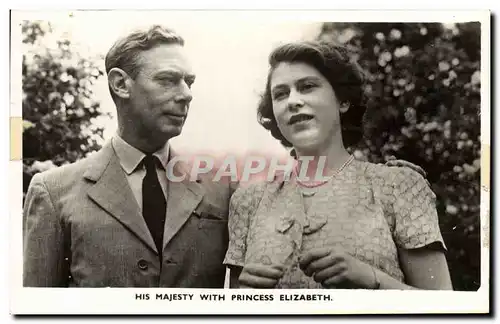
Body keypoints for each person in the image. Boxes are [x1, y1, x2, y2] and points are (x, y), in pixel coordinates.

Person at [224, 40, 453, 290]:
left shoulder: (399, 186)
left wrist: (372, 278)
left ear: (343, 101)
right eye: (280, 94)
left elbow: (444, 307)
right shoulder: (248, 201)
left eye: (307, 87)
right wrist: (244, 297)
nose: (292, 101)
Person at [23, 25, 232, 287]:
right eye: (168, 80)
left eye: (188, 82)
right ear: (121, 84)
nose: (186, 94)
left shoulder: (222, 187)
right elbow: (39, 310)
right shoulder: (53, 192)